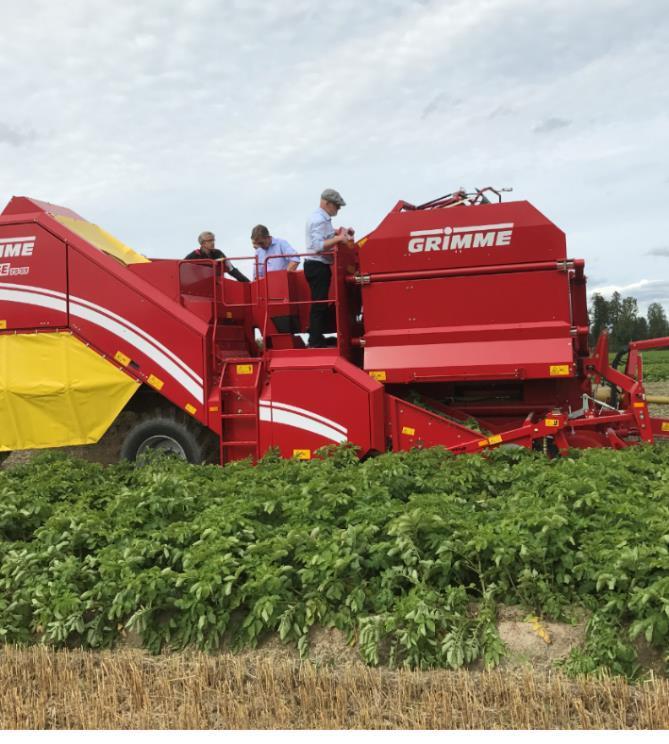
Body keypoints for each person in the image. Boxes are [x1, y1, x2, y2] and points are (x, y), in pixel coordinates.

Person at [304, 188, 354, 348]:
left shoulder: (321, 219)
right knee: (319, 304)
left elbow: (324, 238)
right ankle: (315, 341)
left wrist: (337, 234)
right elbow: (318, 246)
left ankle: (315, 339)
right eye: (336, 206)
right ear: (326, 203)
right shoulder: (319, 220)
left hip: (317, 265)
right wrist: (339, 238)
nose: (338, 209)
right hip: (318, 265)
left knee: (320, 303)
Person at [184, 231, 249, 282]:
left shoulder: (219, 253)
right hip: (200, 286)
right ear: (203, 243)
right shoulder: (194, 256)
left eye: (213, 240)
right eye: (209, 241)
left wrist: (247, 282)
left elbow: (231, 269)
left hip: (217, 285)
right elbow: (181, 268)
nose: (213, 243)